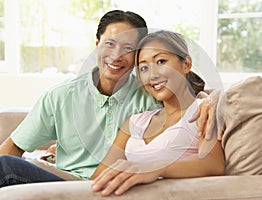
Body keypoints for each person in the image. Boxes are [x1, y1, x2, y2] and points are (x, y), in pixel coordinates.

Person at [0, 10, 215, 187]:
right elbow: (14, 146)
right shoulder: (60, 96)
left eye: (128, 48)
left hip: (110, 183)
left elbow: (186, 96)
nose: (117, 55)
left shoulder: (150, 89)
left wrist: (209, 101)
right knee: (6, 165)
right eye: (110, 44)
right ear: (97, 44)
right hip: (66, 182)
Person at [91, 30, 224, 196]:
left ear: (186, 64)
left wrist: (156, 168)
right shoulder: (135, 122)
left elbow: (213, 162)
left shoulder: (202, 110)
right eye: (144, 68)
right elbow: (97, 178)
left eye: (161, 61)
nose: (152, 75)